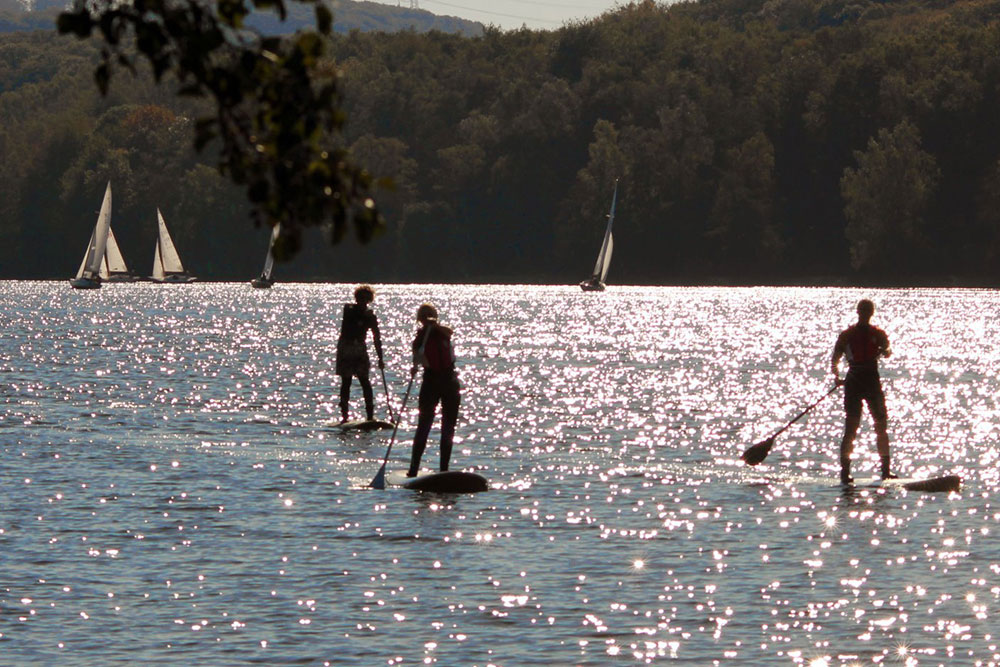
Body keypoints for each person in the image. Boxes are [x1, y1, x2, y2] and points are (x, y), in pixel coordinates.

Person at [831, 299, 894, 485]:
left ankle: (885, 471)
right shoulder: (847, 335)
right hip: (854, 381)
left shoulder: (878, 334)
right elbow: (835, 358)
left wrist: (885, 350)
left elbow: (888, 349)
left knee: (881, 425)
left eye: (868, 311)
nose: (866, 314)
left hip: (871, 381)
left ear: (871, 313)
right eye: (863, 311)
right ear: (858, 312)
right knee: (851, 427)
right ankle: (845, 472)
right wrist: (837, 376)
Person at [406, 303, 461, 477]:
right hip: (431, 382)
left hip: (449, 382)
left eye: (430, 315)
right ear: (419, 319)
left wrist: (434, 326)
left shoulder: (443, 332)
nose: (428, 318)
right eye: (424, 316)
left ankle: (444, 469)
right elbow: (417, 356)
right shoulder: (420, 338)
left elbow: (449, 332)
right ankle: (413, 469)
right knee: (424, 424)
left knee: (448, 427)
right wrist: (415, 365)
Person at [335, 284, 384, 423]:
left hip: (360, 349)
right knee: (346, 381)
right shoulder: (349, 310)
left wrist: (380, 357)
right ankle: (344, 415)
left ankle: (370, 415)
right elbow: (353, 320)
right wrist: (365, 315)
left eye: (366, 299)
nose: (363, 302)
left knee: (364, 381)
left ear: (369, 300)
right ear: (356, 299)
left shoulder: (370, 316)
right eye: (361, 299)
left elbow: (376, 337)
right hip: (346, 348)